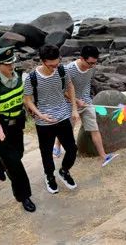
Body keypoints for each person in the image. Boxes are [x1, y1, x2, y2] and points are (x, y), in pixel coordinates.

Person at [23, 45, 80, 194]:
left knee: (72, 149)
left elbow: (70, 86)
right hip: (43, 122)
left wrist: (74, 108)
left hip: (63, 116)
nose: (55, 68)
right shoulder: (32, 78)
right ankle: (49, 176)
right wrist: (40, 115)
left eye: (57, 63)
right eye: (51, 65)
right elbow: (27, 100)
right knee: (46, 152)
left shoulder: (62, 70)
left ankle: (64, 171)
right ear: (42, 61)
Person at [0, 46, 36, 212]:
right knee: (15, 164)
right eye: (6, 64)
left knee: (18, 154)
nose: (10, 66)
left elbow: (34, 87)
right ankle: (24, 196)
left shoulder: (21, 75)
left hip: (17, 122)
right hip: (1, 125)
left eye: (12, 62)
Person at [64, 45, 119, 167]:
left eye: (95, 63)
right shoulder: (68, 69)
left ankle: (104, 156)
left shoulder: (91, 67)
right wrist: (77, 102)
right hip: (70, 105)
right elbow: (62, 91)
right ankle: (57, 147)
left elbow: (86, 84)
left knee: (94, 128)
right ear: (82, 58)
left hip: (86, 102)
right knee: (68, 130)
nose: (93, 66)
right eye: (90, 63)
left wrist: (86, 100)